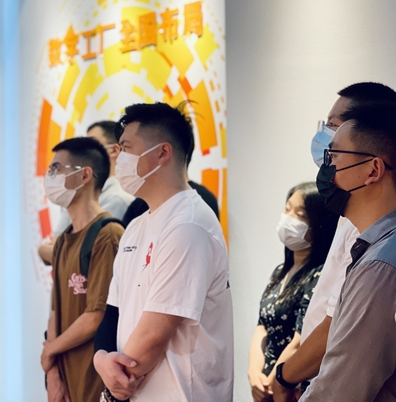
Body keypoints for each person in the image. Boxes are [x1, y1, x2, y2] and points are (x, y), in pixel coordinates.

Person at [93, 102, 233, 401]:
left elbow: (155, 334)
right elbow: (112, 312)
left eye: (126, 148)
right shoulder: (136, 225)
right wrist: (100, 359)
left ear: (162, 153)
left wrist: (114, 390)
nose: (120, 160)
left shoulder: (189, 224)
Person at [272, 82, 396, 401]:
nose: (327, 167)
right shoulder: (372, 246)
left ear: (373, 170)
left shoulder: (380, 265)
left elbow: (342, 386)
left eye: (336, 155)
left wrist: (286, 376)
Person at [41, 137, 124, 402]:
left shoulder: (108, 234)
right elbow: (55, 311)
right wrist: (53, 372)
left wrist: (49, 350)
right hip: (65, 381)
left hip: (95, 380)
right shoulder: (63, 240)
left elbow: (95, 316)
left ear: (84, 175)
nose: (50, 177)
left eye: (56, 169)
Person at [248, 183, 337, 402]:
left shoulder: (319, 275)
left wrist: (273, 381)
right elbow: (262, 325)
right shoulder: (280, 272)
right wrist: (254, 373)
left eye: (300, 215)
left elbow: (300, 340)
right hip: (266, 383)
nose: (288, 218)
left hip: (289, 387)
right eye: (287, 209)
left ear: (320, 224)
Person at [38, 121, 134, 265]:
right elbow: (61, 246)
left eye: (92, 143)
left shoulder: (117, 199)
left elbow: (81, 255)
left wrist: (44, 250)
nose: (86, 149)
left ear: (114, 150)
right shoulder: (73, 195)